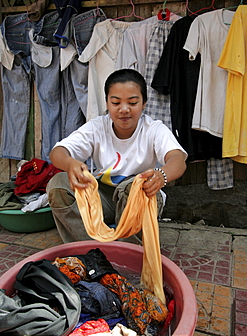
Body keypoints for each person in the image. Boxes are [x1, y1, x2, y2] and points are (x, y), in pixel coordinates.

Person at [47, 69, 187, 244]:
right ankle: (89, 249)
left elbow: (178, 159)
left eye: (133, 102)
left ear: (143, 103)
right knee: (59, 184)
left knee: (136, 185)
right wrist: (70, 164)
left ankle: (129, 252)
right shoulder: (97, 127)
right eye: (116, 102)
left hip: (137, 197)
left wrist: (162, 175)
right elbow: (58, 152)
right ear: (107, 103)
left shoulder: (154, 129)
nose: (124, 109)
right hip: (101, 200)